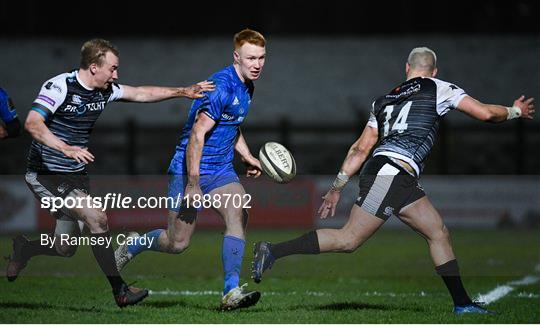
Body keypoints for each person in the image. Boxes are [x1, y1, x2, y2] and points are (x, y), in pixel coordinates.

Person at [252, 47, 535, 314]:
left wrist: (338, 186)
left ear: (407, 68)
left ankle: (462, 304)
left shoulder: (383, 101)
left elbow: (360, 149)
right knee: (349, 239)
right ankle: (273, 250)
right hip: (391, 173)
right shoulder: (438, 88)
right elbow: (485, 113)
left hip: (396, 174)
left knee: (438, 232)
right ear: (433, 71)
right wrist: (514, 111)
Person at [5, 38, 215, 308]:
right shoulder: (60, 86)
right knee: (97, 218)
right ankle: (121, 290)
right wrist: (65, 147)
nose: (116, 75)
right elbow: (32, 123)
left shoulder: (105, 91)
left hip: (76, 175)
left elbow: (140, 93)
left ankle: (26, 249)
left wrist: (182, 91)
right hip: (46, 173)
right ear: (94, 67)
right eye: (112, 69)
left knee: (65, 248)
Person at [114, 29, 266, 311]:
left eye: (261, 58)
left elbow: (231, 124)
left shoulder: (248, 86)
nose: (257, 64)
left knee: (238, 212)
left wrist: (246, 155)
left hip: (220, 169)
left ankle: (231, 291)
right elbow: (198, 135)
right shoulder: (221, 86)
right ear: (236, 57)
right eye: (250, 58)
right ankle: (135, 244)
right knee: (177, 243)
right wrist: (193, 184)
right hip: (188, 169)